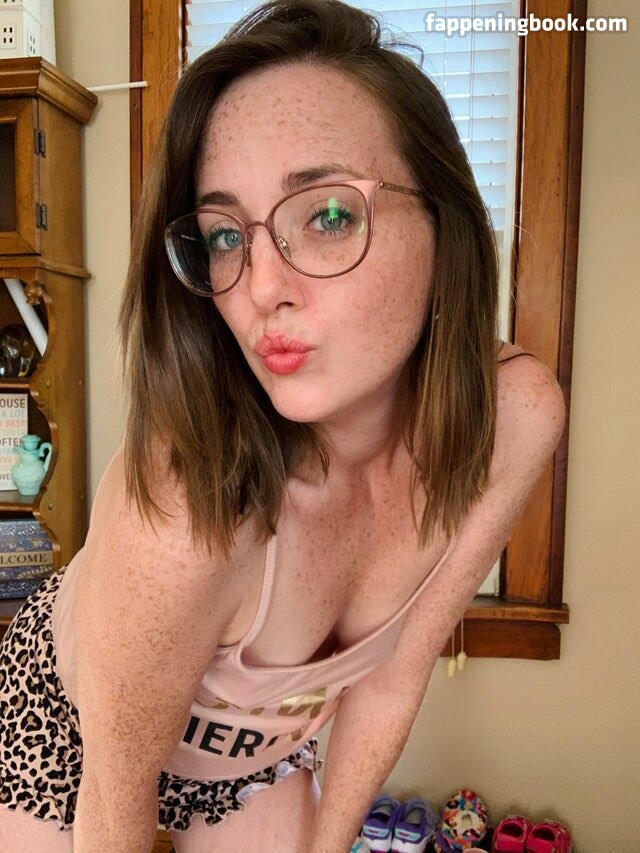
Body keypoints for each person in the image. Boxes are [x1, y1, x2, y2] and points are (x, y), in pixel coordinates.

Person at [0, 1, 566, 850]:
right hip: (68, 735)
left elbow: (390, 678)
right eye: (225, 236)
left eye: (328, 215)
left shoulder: (514, 417)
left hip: (252, 756)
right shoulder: (190, 501)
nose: (262, 287)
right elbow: (117, 793)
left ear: (444, 222)